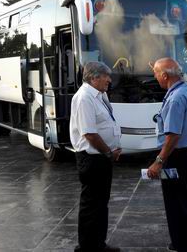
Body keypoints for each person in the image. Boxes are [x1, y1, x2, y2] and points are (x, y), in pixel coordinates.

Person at [147, 58, 187, 252]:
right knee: (186, 200)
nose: (154, 77)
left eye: (156, 74)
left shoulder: (176, 98)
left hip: (177, 157)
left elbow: (173, 135)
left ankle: (184, 245)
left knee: (176, 203)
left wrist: (159, 161)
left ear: (165, 76)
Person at [69, 62, 122, 252]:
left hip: (101, 158)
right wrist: (109, 152)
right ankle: (87, 247)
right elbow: (89, 134)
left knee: (101, 204)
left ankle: (98, 244)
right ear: (93, 78)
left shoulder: (99, 95)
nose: (109, 80)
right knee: (91, 206)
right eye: (105, 76)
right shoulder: (84, 98)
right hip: (92, 159)